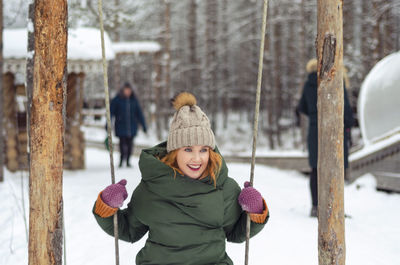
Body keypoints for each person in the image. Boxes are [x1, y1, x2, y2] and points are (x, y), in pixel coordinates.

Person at [93, 92, 269, 264]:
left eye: (203, 150)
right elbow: (128, 230)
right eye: (187, 149)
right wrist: (107, 206)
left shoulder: (223, 187)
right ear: (174, 152)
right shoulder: (153, 187)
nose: (197, 158)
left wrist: (255, 212)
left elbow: (237, 233)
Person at [297, 59, 354, 217]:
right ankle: (334, 208)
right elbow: (346, 108)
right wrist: (348, 125)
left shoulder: (308, 83)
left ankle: (315, 207)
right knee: (336, 169)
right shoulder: (336, 78)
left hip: (316, 131)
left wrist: (316, 117)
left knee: (316, 170)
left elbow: (301, 107)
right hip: (336, 129)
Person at [110, 82, 147, 168]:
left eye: (129, 90)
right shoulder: (117, 100)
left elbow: (139, 114)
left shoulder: (134, 100)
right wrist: (108, 124)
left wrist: (144, 125)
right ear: (123, 90)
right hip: (120, 126)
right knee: (122, 144)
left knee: (130, 145)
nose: (127, 92)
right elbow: (111, 113)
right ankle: (121, 160)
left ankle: (128, 161)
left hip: (132, 126)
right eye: (126, 90)